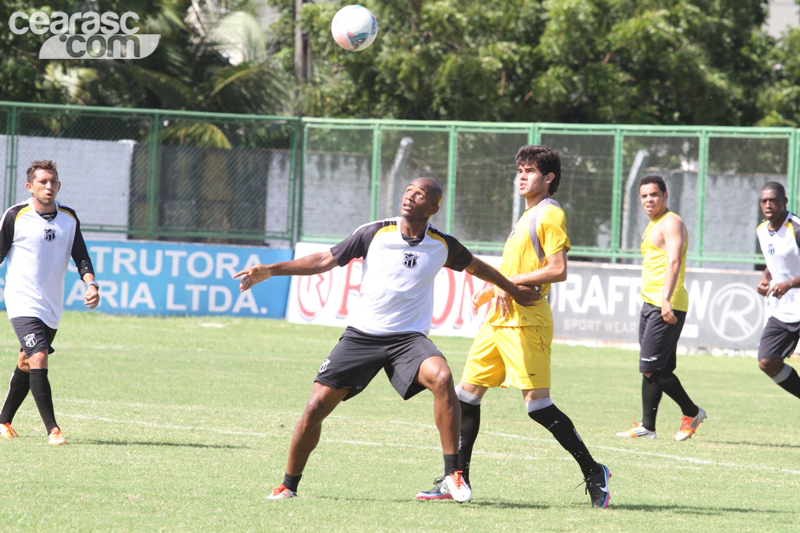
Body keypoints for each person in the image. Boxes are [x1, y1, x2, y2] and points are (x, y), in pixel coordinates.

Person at [235, 177, 534, 502]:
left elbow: (477, 267)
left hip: (408, 340)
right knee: (315, 407)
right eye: (408, 191)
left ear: (433, 208)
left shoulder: (442, 245)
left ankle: (453, 474)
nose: (410, 197)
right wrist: (272, 269)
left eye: (420, 194)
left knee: (443, 377)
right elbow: (324, 260)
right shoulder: (373, 232)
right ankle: (288, 486)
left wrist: (513, 288)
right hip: (362, 337)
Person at [417, 145, 611, 508]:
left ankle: (594, 471)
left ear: (549, 178)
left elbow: (558, 269)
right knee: (465, 397)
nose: (522, 176)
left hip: (527, 323)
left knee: (538, 407)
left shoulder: (549, 215)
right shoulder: (526, 217)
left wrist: (508, 281)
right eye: (519, 170)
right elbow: (518, 271)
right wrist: (493, 289)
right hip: (498, 322)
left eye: (531, 171)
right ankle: (457, 478)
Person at [0, 160, 100, 445]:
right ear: (30, 186)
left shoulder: (69, 217)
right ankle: (53, 430)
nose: (49, 186)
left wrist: (91, 284)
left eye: (53, 181)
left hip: (52, 306)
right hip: (21, 302)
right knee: (39, 356)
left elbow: (80, 256)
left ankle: (3, 421)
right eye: (43, 182)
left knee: (27, 362)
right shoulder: (15, 216)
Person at [616, 175, 706, 442]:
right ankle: (648, 427)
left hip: (666, 304)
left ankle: (692, 412)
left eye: (654, 194)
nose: (648, 200)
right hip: (650, 303)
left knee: (650, 365)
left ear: (665, 196)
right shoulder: (653, 224)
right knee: (653, 366)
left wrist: (666, 299)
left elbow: (674, 261)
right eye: (644, 196)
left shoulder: (672, 222)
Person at [754, 182, 800, 400]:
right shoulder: (762, 230)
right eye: (764, 201)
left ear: (784, 202)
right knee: (767, 361)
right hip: (784, 310)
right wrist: (765, 278)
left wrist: (789, 283)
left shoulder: (797, 229)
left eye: (773, 200)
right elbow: (775, 260)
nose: (768, 204)